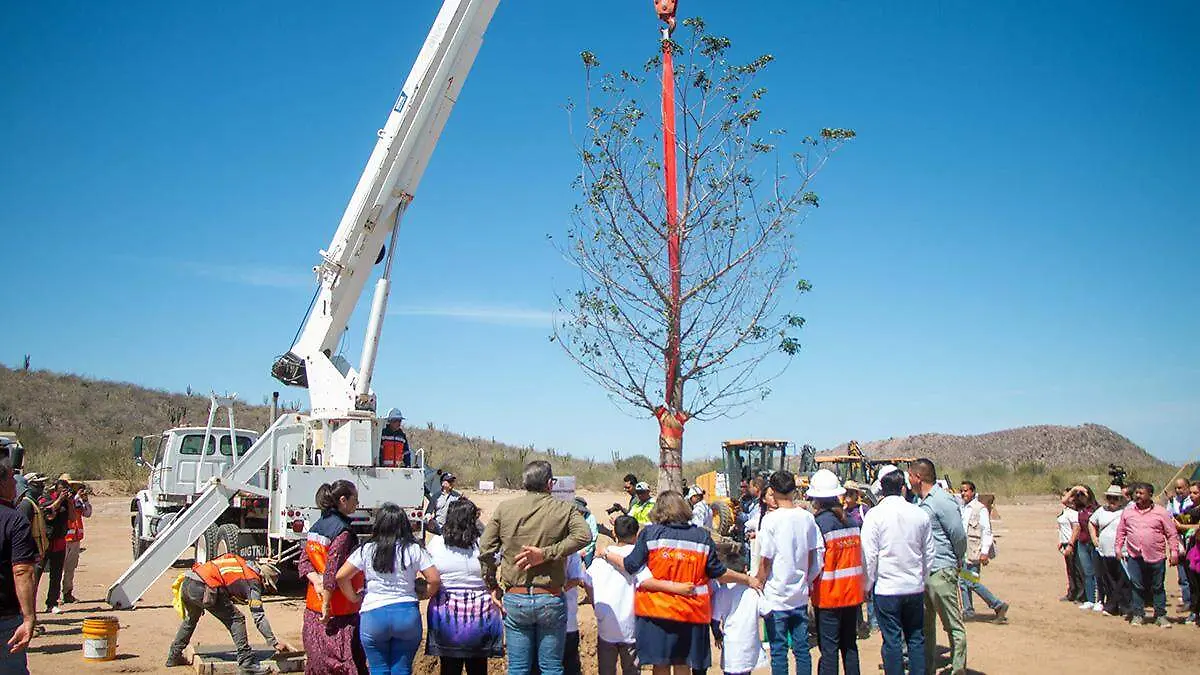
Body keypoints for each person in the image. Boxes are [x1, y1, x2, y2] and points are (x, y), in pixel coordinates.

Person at [600, 490, 760, 675]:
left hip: (656, 611)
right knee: (683, 663)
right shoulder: (702, 537)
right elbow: (718, 573)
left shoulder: (650, 534)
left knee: (660, 664)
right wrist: (747, 579)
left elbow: (630, 565)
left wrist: (606, 553)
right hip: (691, 612)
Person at [479, 460, 591, 675]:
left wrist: (492, 584)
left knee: (518, 668)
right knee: (551, 667)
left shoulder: (505, 509)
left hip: (516, 596)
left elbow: (485, 549)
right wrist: (547, 554)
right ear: (550, 483)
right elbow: (584, 536)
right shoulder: (564, 509)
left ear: (524, 483)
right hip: (550, 597)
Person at [337, 502, 440, 675]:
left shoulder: (367, 549)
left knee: (378, 669)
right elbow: (434, 579)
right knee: (402, 669)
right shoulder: (413, 549)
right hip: (406, 614)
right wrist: (424, 594)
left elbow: (341, 576)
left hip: (373, 614)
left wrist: (354, 597)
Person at [165, 553, 291, 674]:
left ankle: (174, 656)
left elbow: (225, 579)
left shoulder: (241, 564)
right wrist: (273, 642)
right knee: (237, 619)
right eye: (267, 587)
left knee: (191, 620)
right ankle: (247, 663)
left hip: (188, 581)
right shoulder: (253, 581)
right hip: (204, 587)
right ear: (264, 579)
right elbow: (258, 616)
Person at [861, 469, 933, 675]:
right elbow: (928, 552)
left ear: (882, 490)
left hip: (887, 588)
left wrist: (867, 584)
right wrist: (923, 579)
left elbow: (869, 555)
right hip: (913, 587)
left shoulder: (875, 515)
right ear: (903, 488)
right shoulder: (919, 513)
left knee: (891, 640)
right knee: (916, 638)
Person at [753, 471, 824, 675]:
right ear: (794, 490)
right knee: (802, 649)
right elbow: (815, 554)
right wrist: (807, 580)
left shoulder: (770, 520)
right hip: (799, 595)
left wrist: (759, 581)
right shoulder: (807, 518)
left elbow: (766, 559)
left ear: (773, 491)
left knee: (778, 650)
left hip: (776, 596)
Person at [426, 499, 504, 675]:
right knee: (478, 668)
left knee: (449, 668)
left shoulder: (437, 543)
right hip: (480, 615)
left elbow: (428, 571)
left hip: (446, 615)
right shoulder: (483, 544)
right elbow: (497, 562)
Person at [298, 480, 367, 675]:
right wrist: (327, 605)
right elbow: (333, 571)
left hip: (314, 609)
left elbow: (304, 562)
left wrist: (315, 581)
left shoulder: (316, 527)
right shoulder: (343, 532)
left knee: (318, 662)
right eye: (355, 499)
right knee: (343, 663)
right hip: (338, 612)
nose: (357, 503)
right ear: (343, 500)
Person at [908, 459, 966, 675]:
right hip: (923, 573)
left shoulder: (942, 500)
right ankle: (927, 668)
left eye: (910, 476)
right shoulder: (919, 502)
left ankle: (958, 668)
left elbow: (958, 535)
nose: (908, 480)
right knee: (925, 626)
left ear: (918, 477)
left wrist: (957, 559)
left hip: (942, 570)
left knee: (952, 624)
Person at [808, 470, 865, 675]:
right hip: (852, 594)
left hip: (829, 596)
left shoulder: (819, 524)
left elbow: (816, 563)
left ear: (816, 499)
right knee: (849, 645)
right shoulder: (852, 522)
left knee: (829, 649)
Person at [1115, 482, 1180, 627]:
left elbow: (1171, 533)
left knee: (1157, 586)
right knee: (1136, 585)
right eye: (1136, 493)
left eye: (1141, 493)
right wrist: (1118, 548)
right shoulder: (1128, 512)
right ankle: (1138, 614)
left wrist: (1174, 551)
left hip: (1156, 555)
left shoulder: (1161, 512)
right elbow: (1121, 531)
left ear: (1150, 495)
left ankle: (1160, 615)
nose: (1137, 495)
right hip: (1134, 555)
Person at [587, 516, 640, 675]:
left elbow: (587, 581)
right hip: (632, 624)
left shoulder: (601, 558)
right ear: (636, 534)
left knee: (606, 669)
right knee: (631, 669)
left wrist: (595, 604)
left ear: (614, 533)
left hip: (607, 623)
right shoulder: (639, 557)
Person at [0, 456, 39, 674]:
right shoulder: (14, 520)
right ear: (2, 483)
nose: (16, 484)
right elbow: (22, 571)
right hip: (4, 617)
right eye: (11, 479)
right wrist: (29, 617)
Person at [958, 481, 1009, 622]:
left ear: (973, 492)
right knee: (963, 581)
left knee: (972, 582)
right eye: (962, 491)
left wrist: (984, 551)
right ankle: (968, 611)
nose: (963, 493)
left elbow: (987, 531)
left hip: (975, 551)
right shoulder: (963, 508)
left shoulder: (980, 509)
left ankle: (997, 604)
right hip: (965, 550)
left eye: (966, 491)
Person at [710, 550, 762, 675]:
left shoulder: (721, 592)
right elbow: (767, 612)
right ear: (745, 568)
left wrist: (717, 635)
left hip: (730, 647)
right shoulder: (753, 592)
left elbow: (714, 620)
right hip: (749, 645)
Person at [1090, 485, 1131, 618]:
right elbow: (1091, 522)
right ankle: (1113, 606)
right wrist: (1094, 538)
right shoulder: (1101, 511)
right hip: (1104, 551)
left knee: (1123, 580)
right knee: (1109, 580)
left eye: (1115, 498)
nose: (1112, 500)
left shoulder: (1126, 511)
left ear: (1121, 499)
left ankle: (1124, 606)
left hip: (1122, 551)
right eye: (1109, 497)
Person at [37, 476, 71, 614]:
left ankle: (52, 603)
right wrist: (60, 500)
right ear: (56, 490)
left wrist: (70, 502)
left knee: (56, 575)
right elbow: (48, 514)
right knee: (37, 573)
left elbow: (72, 518)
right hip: (46, 541)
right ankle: (28, 603)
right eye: (62, 490)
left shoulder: (66, 502)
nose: (64, 492)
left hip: (60, 541)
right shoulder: (46, 499)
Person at [1065, 486, 1100, 611]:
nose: (1080, 497)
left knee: (1097, 573)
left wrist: (1086, 491)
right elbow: (1065, 501)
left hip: (1093, 542)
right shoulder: (1079, 508)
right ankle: (1090, 600)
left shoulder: (1096, 508)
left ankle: (1099, 600)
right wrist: (1074, 489)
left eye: (1082, 495)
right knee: (1087, 572)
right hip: (1082, 543)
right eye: (1078, 495)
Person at [59, 476, 90, 604]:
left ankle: (67, 593)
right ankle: (56, 596)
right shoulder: (60, 500)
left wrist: (85, 501)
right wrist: (76, 497)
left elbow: (87, 513)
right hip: (64, 538)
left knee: (70, 568)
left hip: (76, 538)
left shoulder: (77, 501)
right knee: (59, 568)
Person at [1173, 482, 1200, 625]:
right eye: (1191, 493)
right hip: (1192, 549)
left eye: (1195, 493)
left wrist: (1182, 526)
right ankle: (1195, 612)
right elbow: (1177, 521)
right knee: (1193, 583)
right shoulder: (1190, 510)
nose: (1192, 495)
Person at [1166, 477, 1194, 609]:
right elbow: (1168, 516)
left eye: (1181, 488)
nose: (1178, 491)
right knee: (1182, 572)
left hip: (1191, 539)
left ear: (1187, 487)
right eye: (1176, 488)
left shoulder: (1193, 501)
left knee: (1193, 571)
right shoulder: (1173, 501)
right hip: (1178, 539)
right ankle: (1187, 601)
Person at [1055, 489, 1083, 603]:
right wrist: (1061, 541)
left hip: (1072, 542)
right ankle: (1072, 592)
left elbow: (1076, 528)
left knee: (1077, 569)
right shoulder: (1065, 511)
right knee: (1070, 569)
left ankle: (1081, 595)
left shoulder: (1074, 513)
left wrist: (1071, 544)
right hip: (1065, 542)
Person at [574, 498, 599, 567]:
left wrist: (585, 549)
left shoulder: (591, 518)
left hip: (588, 549)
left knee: (590, 568)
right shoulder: (573, 516)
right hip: (575, 549)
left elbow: (594, 536)